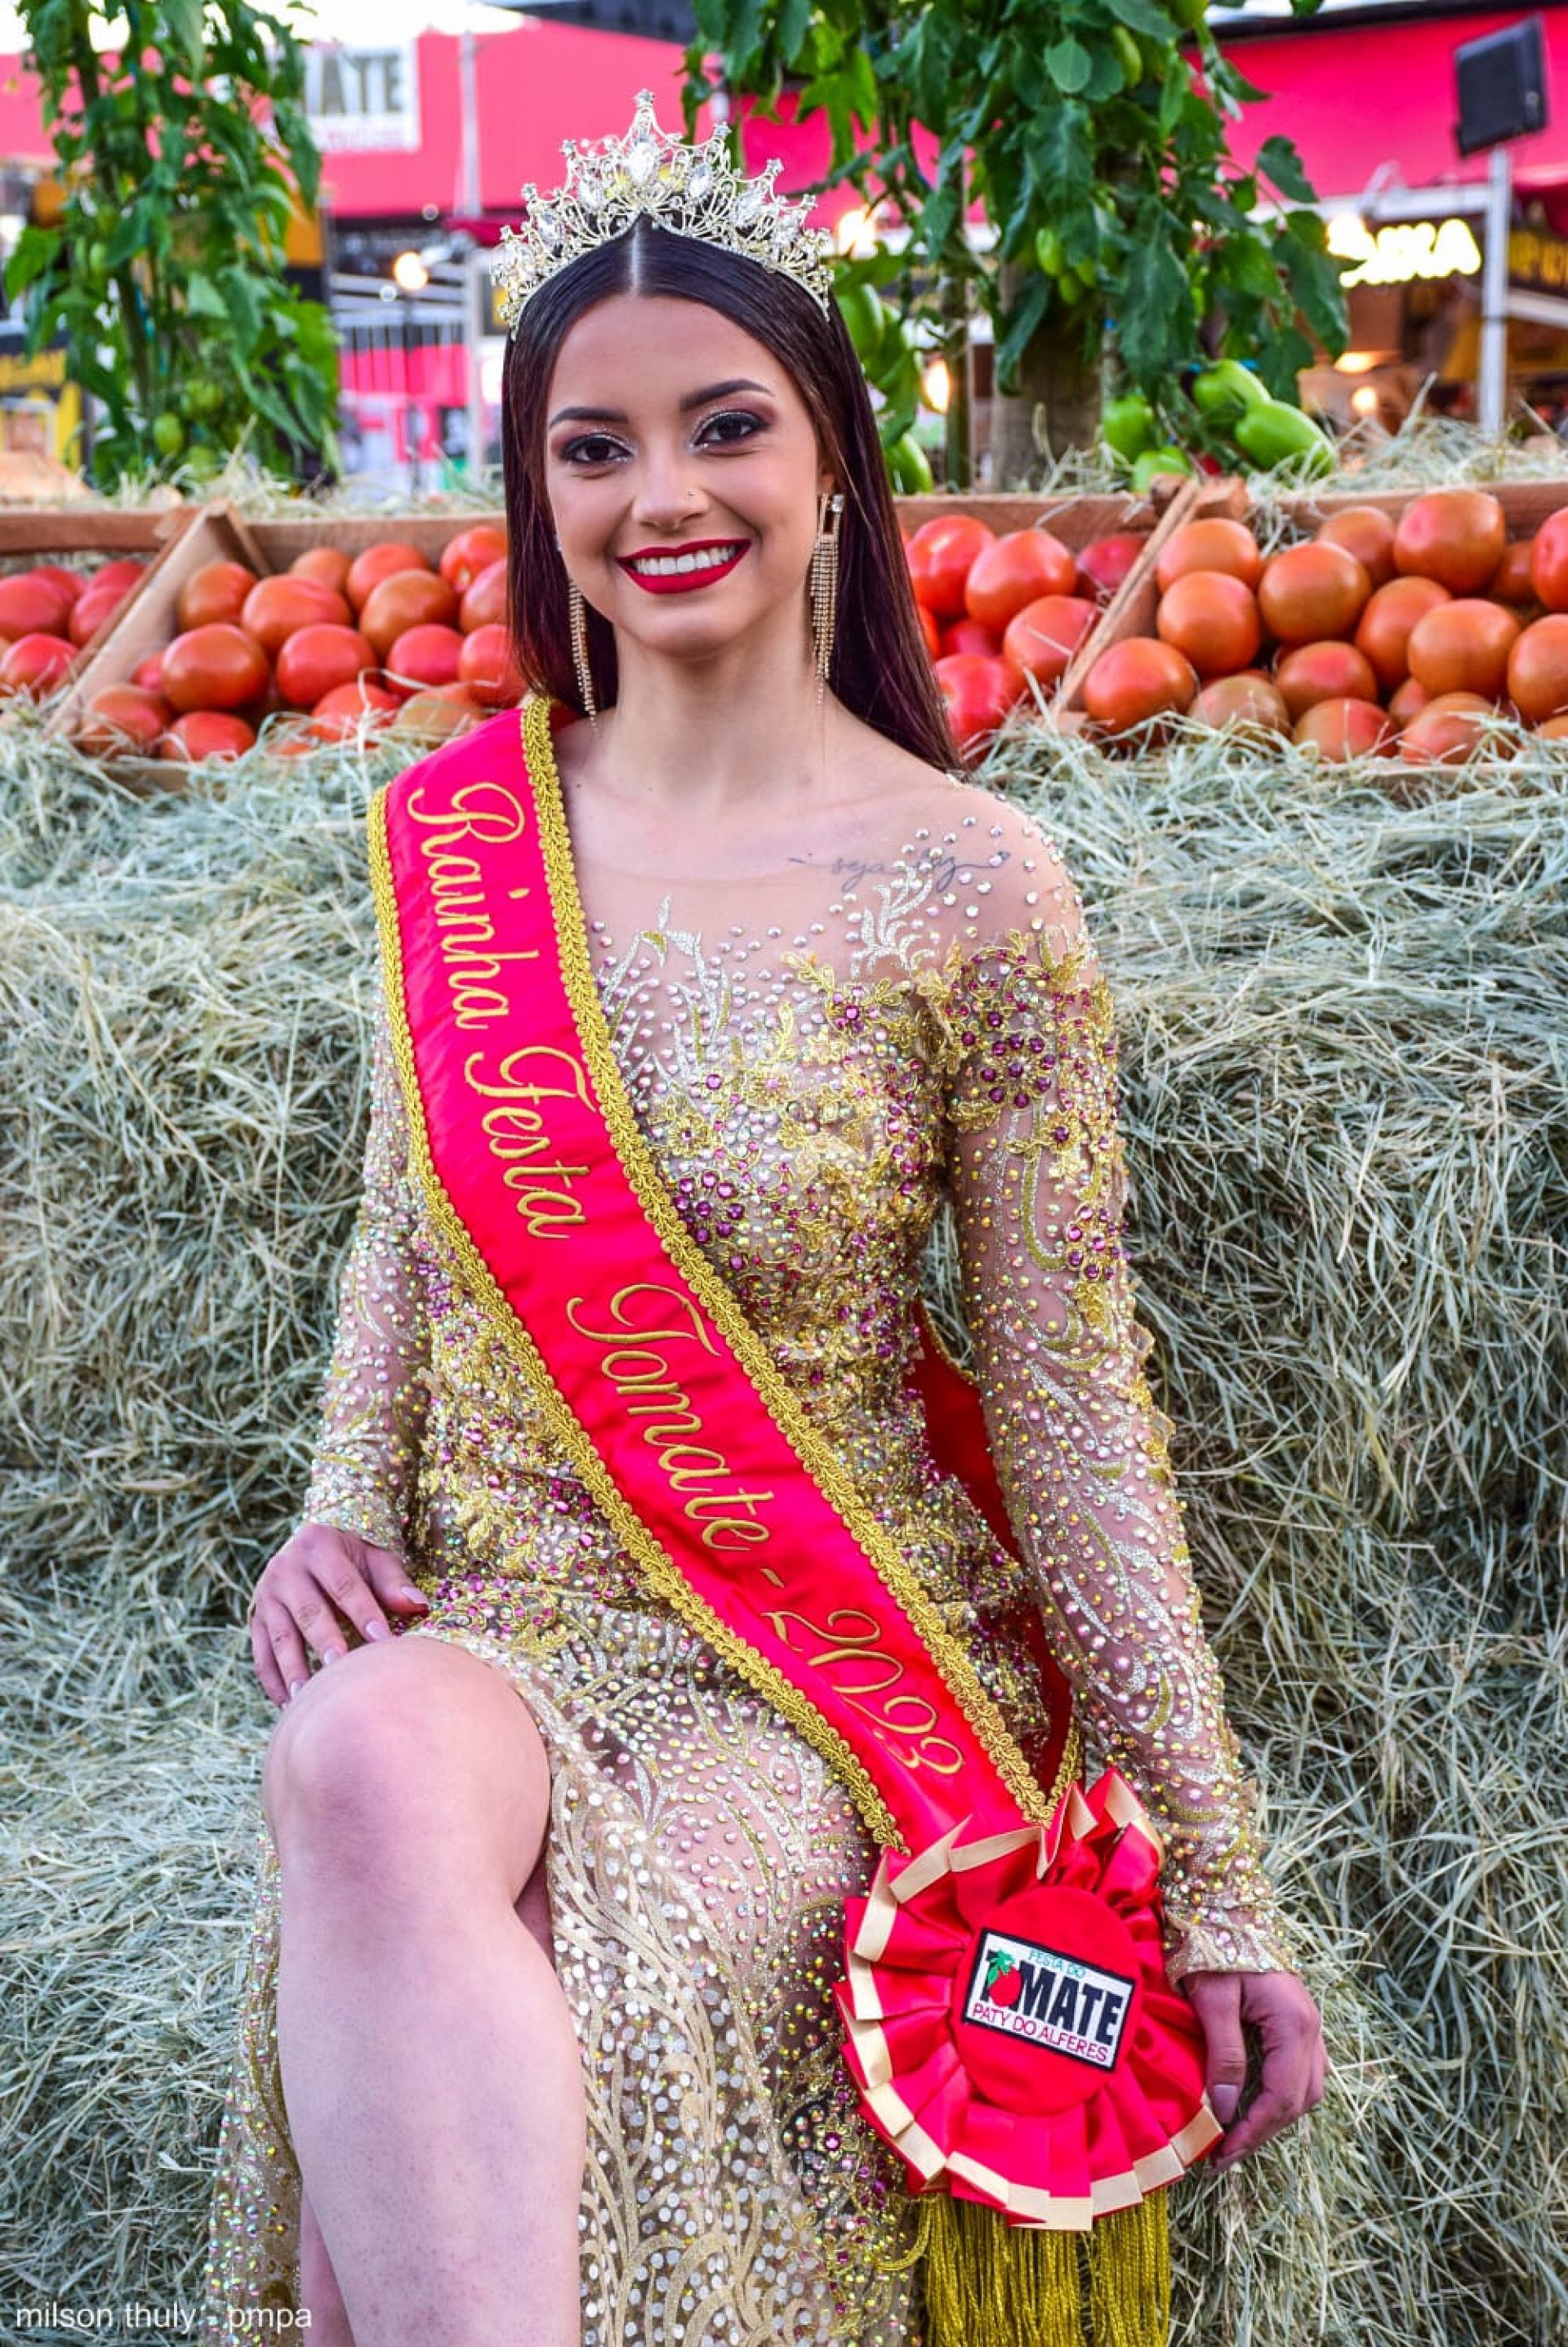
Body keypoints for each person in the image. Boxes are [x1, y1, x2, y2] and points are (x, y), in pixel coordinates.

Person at [202, 92, 1323, 2347]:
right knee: (354, 1756)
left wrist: (1209, 1870)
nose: (663, 496)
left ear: (834, 459)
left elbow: (1078, 1413)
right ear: (536, 491)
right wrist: (337, 1502)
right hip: (511, 1607)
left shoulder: (971, 886)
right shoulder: (460, 836)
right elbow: (408, 1222)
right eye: (592, 449)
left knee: (536, 2006)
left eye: (724, 427)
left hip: (811, 1672)